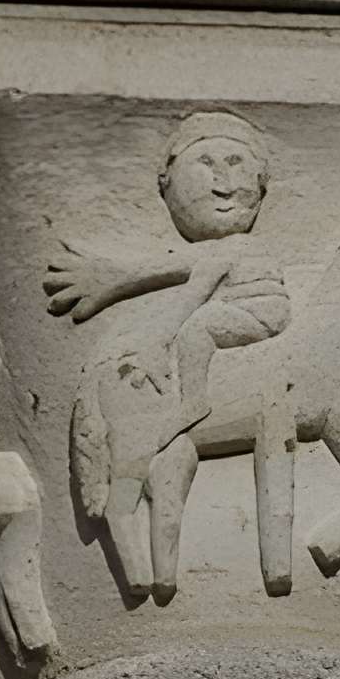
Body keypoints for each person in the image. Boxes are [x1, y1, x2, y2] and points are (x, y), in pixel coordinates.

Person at [44, 111, 289, 441]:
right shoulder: (226, 252)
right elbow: (188, 269)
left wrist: (115, 285)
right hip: (253, 325)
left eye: (236, 162)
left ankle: (193, 404)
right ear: (166, 183)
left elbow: (191, 286)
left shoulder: (240, 248)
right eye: (205, 163)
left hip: (261, 320)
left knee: (198, 327)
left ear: (262, 181)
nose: (224, 184)